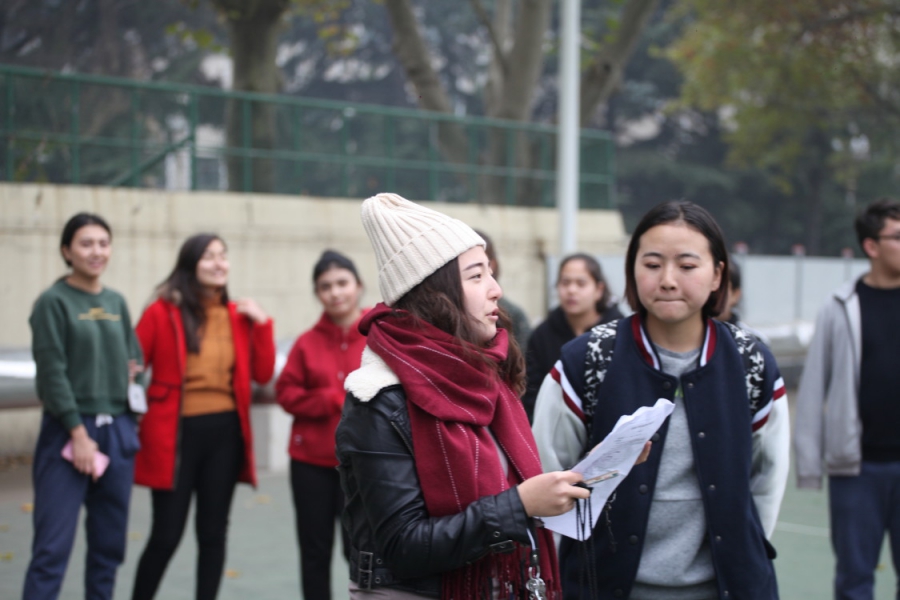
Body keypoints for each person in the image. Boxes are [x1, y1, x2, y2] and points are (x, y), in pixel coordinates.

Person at [336, 192, 593, 599]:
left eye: (491, 273)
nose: (496, 290)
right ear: (434, 295)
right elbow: (403, 546)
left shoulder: (486, 375)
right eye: (476, 276)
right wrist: (520, 505)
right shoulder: (379, 398)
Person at [533, 200, 790, 600]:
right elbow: (546, 470)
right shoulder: (587, 359)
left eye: (687, 266)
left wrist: (742, 553)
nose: (668, 280)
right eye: (652, 264)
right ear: (632, 270)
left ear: (717, 275)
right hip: (601, 585)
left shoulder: (751, 361)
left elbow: (767, 479)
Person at [131, 233, 276, 600]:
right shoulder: (162, 311)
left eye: (223, 255)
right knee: (166, 535)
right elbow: (131, 362)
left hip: (225, 434)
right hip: (175, 435)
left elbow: (262, 374)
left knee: (213, 534)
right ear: (190, 264)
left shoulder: (238, 315)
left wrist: (262, 323)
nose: (218, 263)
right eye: (209, 256)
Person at [23, 212, 143, 600]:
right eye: (86, 244)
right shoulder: (53, 302)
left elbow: (136, 361)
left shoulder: (116, 302)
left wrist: (133, 391)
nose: (96, 252)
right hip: (68, 432)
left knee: (109, 547)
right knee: (52, 549)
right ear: (66, 251)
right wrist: (77, 432)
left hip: (117, 430)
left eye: (103, 244)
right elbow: (51, 373)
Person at [794, 198, 900, 600]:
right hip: (856, 470)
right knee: (854, 581)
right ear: (871, 246)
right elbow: (813, 386)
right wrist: (809, 464)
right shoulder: (840, 306)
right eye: (898, 236)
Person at [276, 250, 367, 600]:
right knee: (314, 551)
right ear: (317, 293)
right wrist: (330, 398)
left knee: (360, 549)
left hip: (363, 464)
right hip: (310, 464)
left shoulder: (378, 337)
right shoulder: (306, 342)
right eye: (325, 286)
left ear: (358, 286)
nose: (335, 292)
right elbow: (286, 393)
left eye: (342, 283)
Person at [523, 253, 623, 422]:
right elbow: (532, 392)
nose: (571, 290)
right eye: (565, 282)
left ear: (599, 290)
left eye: (581, 283)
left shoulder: (618, 333)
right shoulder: (542, 335)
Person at [474, 229, 533, 351]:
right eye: (475, 274)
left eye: (487, 265)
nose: (497, 292)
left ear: (493, 264)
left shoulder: (513, 315)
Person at [718, 258, 769, 345]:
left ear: (736, 294)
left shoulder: (753, 342)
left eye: (721, 287)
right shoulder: (695, 338)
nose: (713, 293)